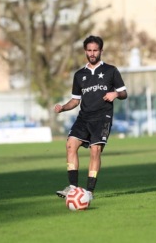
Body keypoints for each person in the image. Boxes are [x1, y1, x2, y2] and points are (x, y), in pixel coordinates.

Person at [54, 35, 128, 200]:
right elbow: (75, 100)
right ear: (85, 51)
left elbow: (124, 93)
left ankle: (89, 191)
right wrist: (63, 108)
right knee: (70, 145)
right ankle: (72, 188)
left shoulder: (111, 70)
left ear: (101, 50)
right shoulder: (79, 75)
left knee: (95, 151)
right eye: (89, 50)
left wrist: (115, 93)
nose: (92, 53)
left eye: (95, 50)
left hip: (103, 117)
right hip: (84, 117)